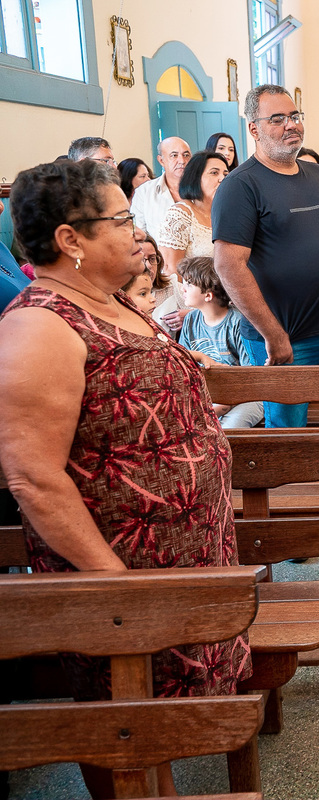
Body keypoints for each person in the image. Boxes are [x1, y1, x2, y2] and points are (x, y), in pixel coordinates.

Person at [0, 159, 249, 798]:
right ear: (69, 240)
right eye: (121, 220)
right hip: (123, 569)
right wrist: (112, 586)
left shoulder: (107, 302)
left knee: (165, 723)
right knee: (126, 729)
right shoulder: (39, 325)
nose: (137, 234)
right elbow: (31, 475)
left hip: (182, 559)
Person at [212, 85, 319, 428]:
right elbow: (228, 264)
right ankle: (299, 487)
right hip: (287, 338)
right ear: (254, 128)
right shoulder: (240, 186)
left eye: (294, 116)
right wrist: (273, 334)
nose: (291, 124)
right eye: (278, 118)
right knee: (289, 432)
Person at [177, 255, 264, 429]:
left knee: (227, 431)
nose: (183, 288)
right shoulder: (191, 320)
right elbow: (184, 362)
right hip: (208, 397)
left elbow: (250, 377)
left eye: (189, 284)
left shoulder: (238, 322)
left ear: (208, 295)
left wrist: (220, 407)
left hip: (245, 398)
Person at [158, 150, 229, 332]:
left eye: (225, 174)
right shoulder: (180, 213)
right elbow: (172, 270)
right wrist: (191, 311)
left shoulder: (226, 213)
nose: (222, 178)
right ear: (196, 177)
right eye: (214, 173)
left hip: (224, 305)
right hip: (190, 309)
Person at [131, 136, 192, 240]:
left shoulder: (204, 189)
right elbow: (138, 234)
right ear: (161, 160)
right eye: (174, 155)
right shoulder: (144, 192)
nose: (182, 160)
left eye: (186, 155)